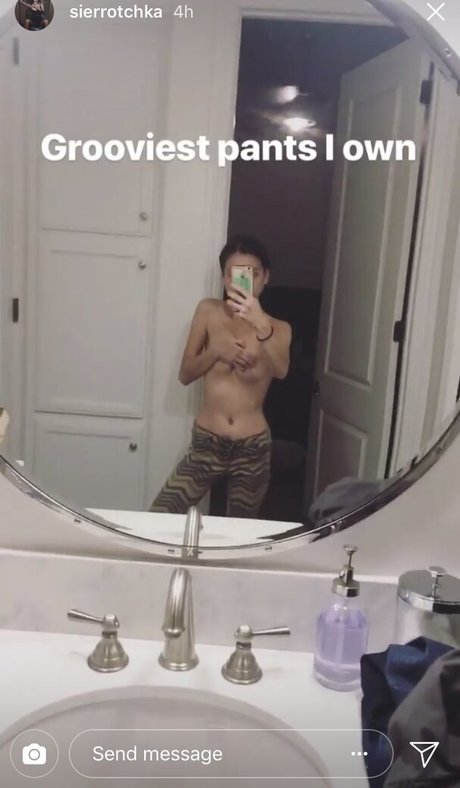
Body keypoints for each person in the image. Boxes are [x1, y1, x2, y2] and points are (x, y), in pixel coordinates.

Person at [150, 235, 292, 518]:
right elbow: (185, 375)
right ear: (225, 278)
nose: (243, 281)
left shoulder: (278, 328)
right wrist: (216, 351)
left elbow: (281, 371)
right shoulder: (208, 311)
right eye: (234, 273)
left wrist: (261, 325)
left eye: (252, 273)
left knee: (240, 531)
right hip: (207, 443)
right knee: (161, 516)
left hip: (252, 447)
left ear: (265, 277)